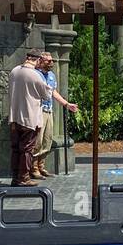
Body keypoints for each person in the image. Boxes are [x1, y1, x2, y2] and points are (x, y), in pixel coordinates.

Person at [31, 52, 79, 180]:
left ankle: (41, 166)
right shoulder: (35, 74)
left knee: (47, 139)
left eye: (52, 61)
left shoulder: (51, 75)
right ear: (40, 61)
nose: (51, 63)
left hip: (49, 110)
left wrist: (66, 104)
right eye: (48, 61)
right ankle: (33, 167)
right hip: (39, 110)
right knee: (38, 140)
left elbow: (53, 92)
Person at [8, 51, 47, 186]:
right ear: (37, 60)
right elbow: (46, 94)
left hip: (14, 117)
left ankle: (15, 177)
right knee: (27, 149)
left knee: (15, 148)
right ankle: (23, 178)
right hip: (29, 117)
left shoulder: (14, 71)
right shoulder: (36, 75)